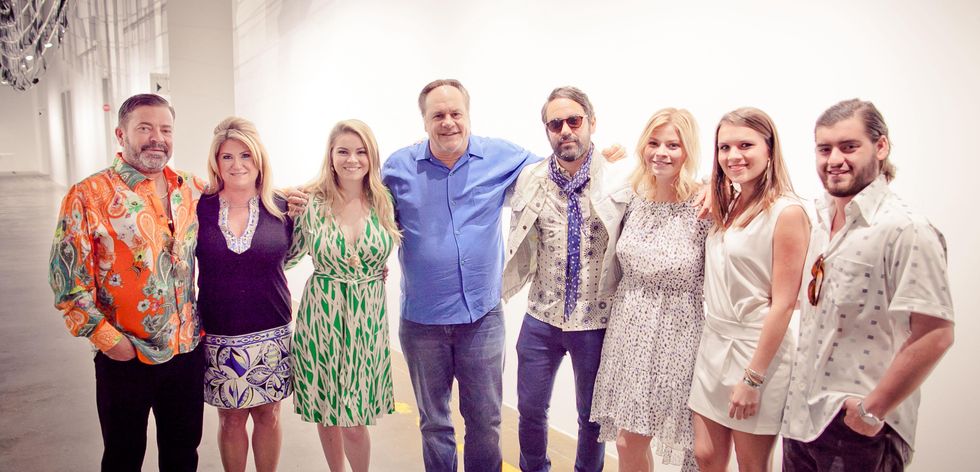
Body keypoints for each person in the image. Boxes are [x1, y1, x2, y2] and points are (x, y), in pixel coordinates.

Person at [781, 99, 955, 471]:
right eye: (824, 149)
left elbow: (935, 333)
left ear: (881, 146)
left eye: (849, 146)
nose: (834, 160)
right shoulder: (817, 218)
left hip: (860, 430)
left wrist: (871, 411)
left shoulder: (906, 230)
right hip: (801, 420)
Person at [381, 78, 538, 472]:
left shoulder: (502, 157)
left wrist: (602, 159)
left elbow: (557, 173)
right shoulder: (398, 169)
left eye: (456, 113)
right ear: (424, 121)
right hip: (421, 323)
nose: (448, 122)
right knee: (434, 423)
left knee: (485, 422)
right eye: (438, 115)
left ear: (468, 115)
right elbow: (357, 202)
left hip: (481, 320)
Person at [48, 93, 207, 471]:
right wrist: (111, 342)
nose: (157, 138)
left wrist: (290, 199)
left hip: (185, 352)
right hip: (126, 355)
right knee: (123, 457)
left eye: (165, 129)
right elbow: (67, 284)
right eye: (145, 128)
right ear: (121, 134)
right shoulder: (87, 195)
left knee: (183, 454)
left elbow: (243, 195)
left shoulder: (191, 188)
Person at [502, 86, 626, 472]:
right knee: (530, 409)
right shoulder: (530, 178)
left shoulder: (620, 180)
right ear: (547, 130)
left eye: (574, 120)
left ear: (592, 122)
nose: (565, 130)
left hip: (595, 321)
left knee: (592, 417)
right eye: (555, 123)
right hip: (541, 317)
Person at [688, 107, 810, 472]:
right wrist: (712, 188)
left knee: (751, 465)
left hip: (758, 352)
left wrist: (753, 378)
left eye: (745, 145)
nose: (733, 156)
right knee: (705, 456)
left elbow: (785, 303)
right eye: (725, 147)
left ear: (769, 149)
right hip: (714, 342)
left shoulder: (787, 212)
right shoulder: (729, 200)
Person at [590, 108, 710, 472]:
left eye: (673, 145)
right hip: (629, 329)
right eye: (654, 143)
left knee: (692, 446)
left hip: (679, 333)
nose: (661, 152)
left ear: (688, 150)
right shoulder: (633, 197)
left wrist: (713, 185)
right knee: (628, 441)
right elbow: (586, 184)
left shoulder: (703, 206)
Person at [288, 119, 401, 472]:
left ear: (371, 155)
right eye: (343, 152)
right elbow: (288, 257)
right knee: (328, 409)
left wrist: (375, 272)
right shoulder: (310, 202)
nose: (352, 159)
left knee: (354, 419)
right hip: (322, 316)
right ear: (331, 156)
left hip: (366, 318)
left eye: (360, 151)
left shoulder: (385, 200)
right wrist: (288, 221)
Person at [196, 117, 293, 472]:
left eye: (245, 156)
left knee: (268, 415)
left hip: (271, 330)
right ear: (216, 162)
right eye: (227, 157)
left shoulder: (283, 207)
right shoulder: (199, 207)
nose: (237, 165)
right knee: (231, 419)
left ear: (259, 160)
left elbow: (317, 247)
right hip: (220, 331)